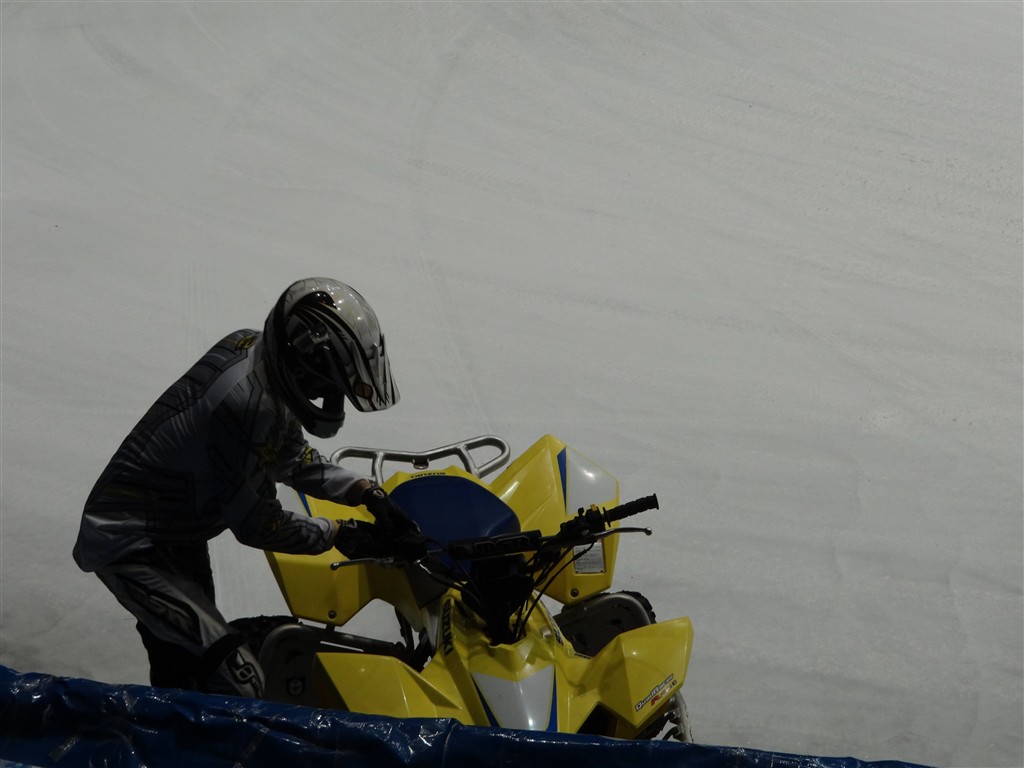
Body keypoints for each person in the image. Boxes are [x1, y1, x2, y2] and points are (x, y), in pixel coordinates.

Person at [73, 277, 420, 698]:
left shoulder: (256, 356)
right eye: (327, 386)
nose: (331, 398)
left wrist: (365, 493)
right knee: (239, 680)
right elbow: (257, 524)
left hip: (176, 528)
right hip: (131, 543)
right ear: (300, 366)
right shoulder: (245, 405)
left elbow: (291, 456)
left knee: (185, 665)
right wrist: (341, 534)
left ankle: (175, 722)